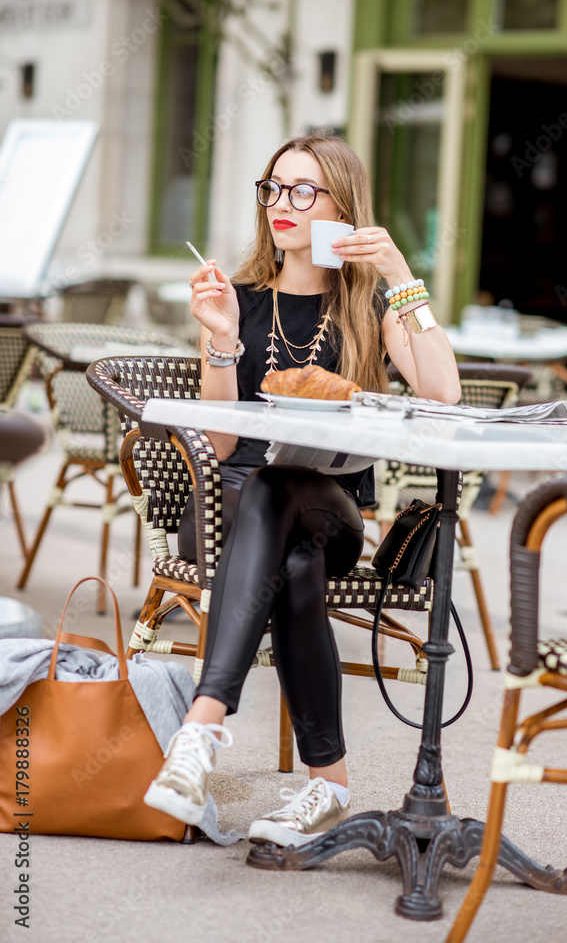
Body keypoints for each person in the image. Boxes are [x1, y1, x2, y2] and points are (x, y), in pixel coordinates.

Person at [144, 133, 461, 846]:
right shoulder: (240, 300)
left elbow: (443, 392)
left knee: (284, 486)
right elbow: (220, 446)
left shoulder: (370, 303)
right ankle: (329, 785)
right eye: (272, 187)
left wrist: (402, 273)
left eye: (303, 190)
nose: (282, 204)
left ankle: (204, 725)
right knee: (282, 539)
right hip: (229, 512)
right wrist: (221, 339)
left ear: (341, 206)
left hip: (333, 508)